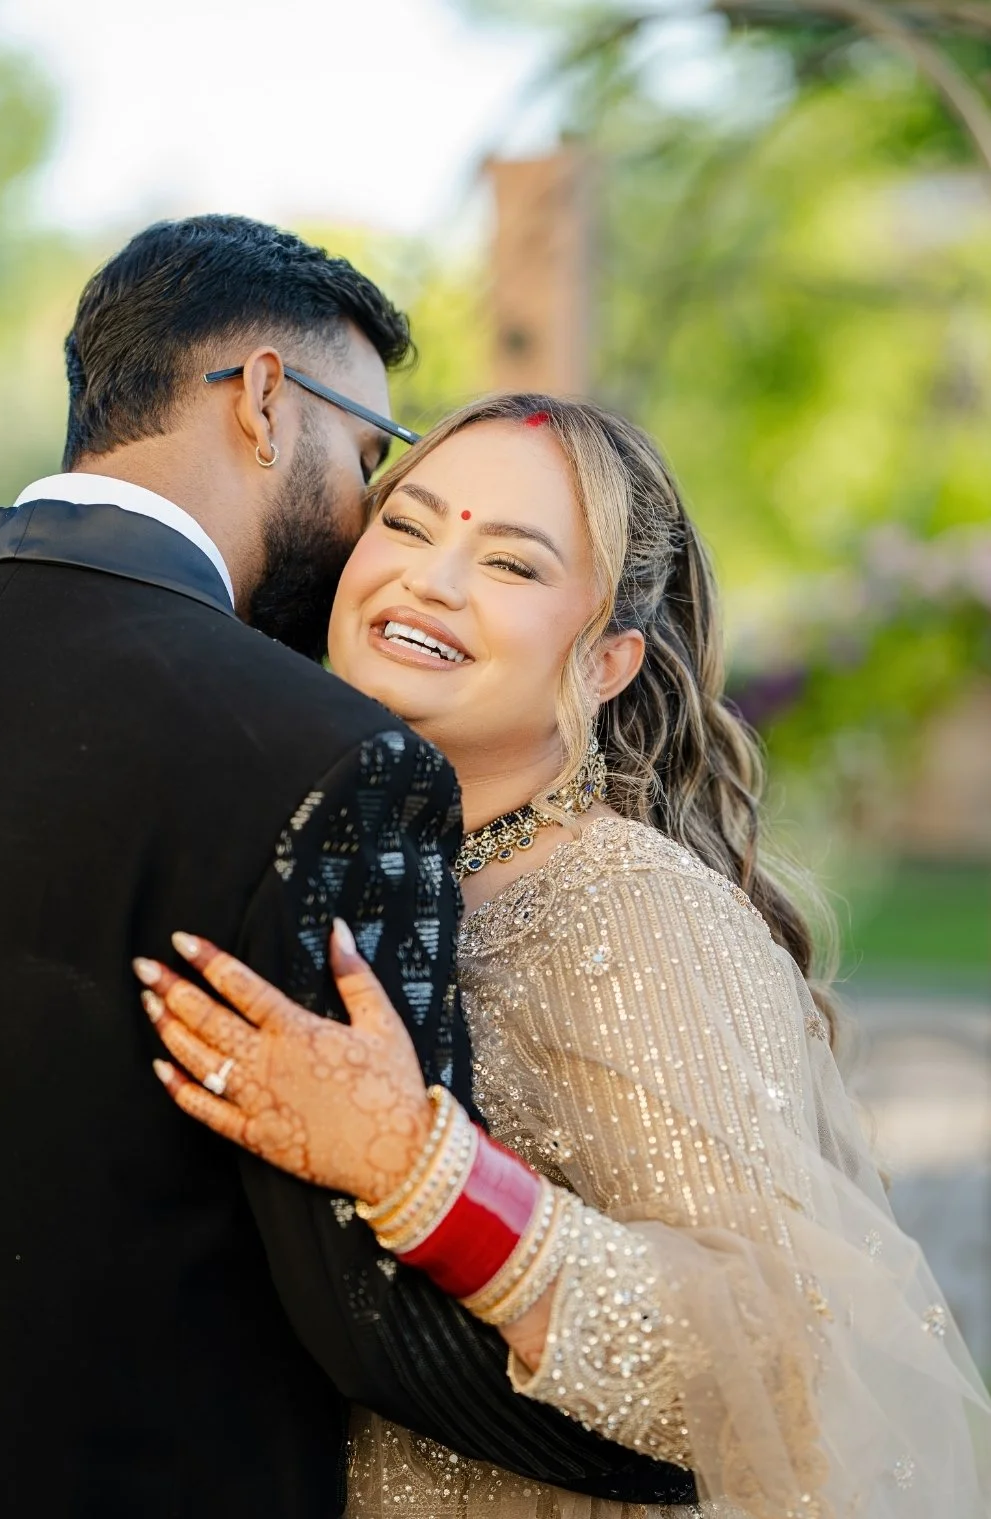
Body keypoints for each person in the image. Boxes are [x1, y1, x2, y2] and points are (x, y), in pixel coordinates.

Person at [0, 220, 692, 1517]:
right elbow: (377, 1323)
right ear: (264, 396)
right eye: (371, 456)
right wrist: (700, 1433)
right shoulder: (324, 759)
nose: (367, 512)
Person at [133, 393, 991, 1518]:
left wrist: (417, 1171)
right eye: (410, 525)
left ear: (607, 662)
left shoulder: (630, 912)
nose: (431, 580)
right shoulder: (346, 852)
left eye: (514, 565)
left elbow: (779, 1361)